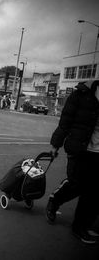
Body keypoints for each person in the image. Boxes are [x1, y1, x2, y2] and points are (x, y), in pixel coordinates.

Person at [46, 80, 99, 244]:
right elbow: (65, 121)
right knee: (77, 184)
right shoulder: (82, 94)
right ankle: (55, 200)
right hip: (80, 148)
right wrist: (56, 144)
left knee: (94, 191)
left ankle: (81, 227)